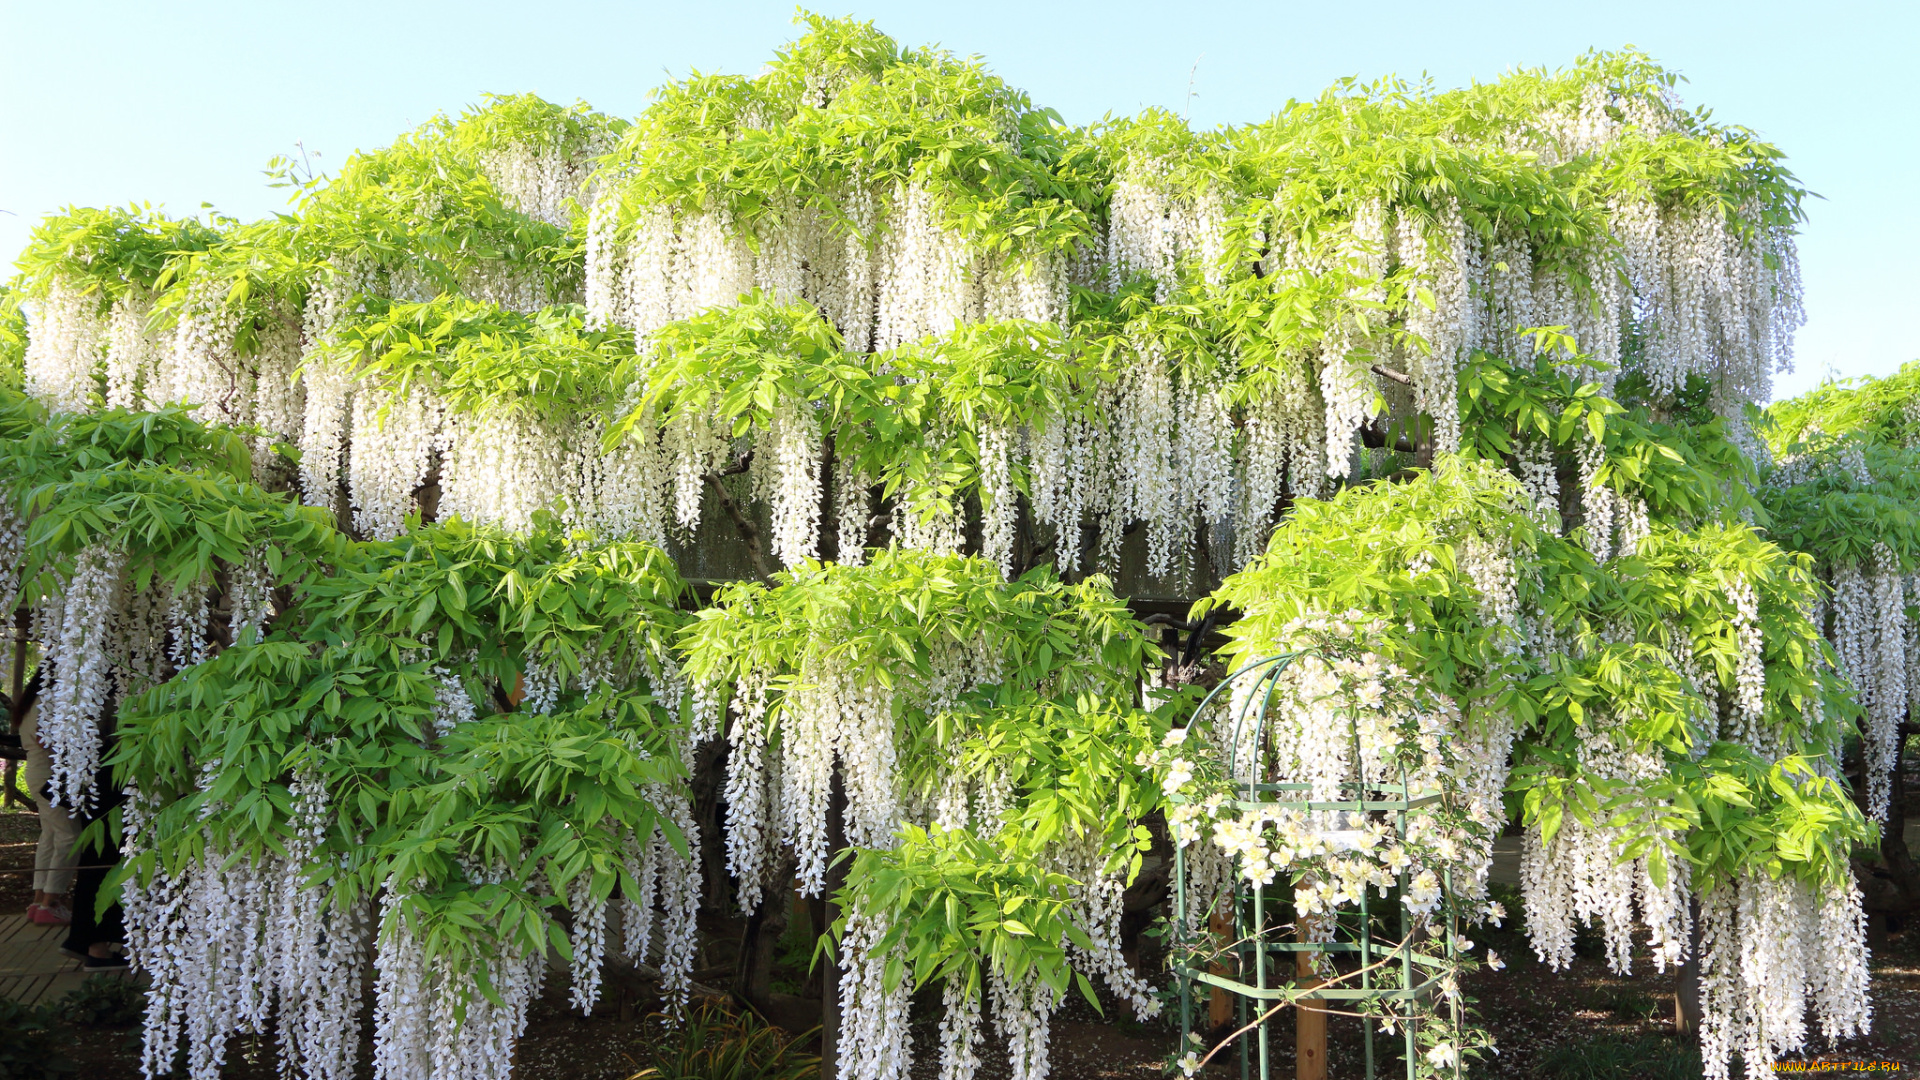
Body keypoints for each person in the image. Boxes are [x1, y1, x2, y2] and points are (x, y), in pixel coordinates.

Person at [18, 676, 80, 927]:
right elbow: (45, 739)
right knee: (69, 836)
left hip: (37, 770)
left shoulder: (33, 699)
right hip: (48, 773)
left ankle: (39, 901)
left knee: (51, 836)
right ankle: (49, 902)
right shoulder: (47, 698)